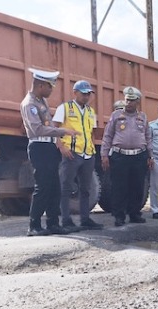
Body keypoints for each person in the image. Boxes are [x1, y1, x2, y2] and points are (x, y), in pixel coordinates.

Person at [20, 67, 79, 236]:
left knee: (55, 187)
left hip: (49, 146)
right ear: (40, 85)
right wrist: (63, 131)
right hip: (39, 147)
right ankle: (34, 225)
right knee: (43, 187)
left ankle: (53, 223)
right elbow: (38, 129)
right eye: (49, 87)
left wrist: (58, 141)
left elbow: (49, 124)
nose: (51, 90)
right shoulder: (29, 104)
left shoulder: (41, 101)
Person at [53, 80, 104, 231]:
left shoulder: (90, 111)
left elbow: (92, 133)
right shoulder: (65, 108)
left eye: (88, 94)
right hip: (72, 153)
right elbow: (54, 129)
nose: (86, 96)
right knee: (66, 187)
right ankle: (66, 221)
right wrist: (61, 146)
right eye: (83, 93)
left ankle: (85, 219)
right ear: (75, 93)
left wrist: (93, 149)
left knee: (85, 188)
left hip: (88, 154)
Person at [101, 86, 154, 227]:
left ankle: (135, 214)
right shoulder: (116, 116)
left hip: (139, 156)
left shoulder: (142, 117)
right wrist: (104, 155)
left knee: (137, 187)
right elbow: (108, 135)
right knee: (119, 187)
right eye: (127, 100)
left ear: (138, 102)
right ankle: (119, 216)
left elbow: (148, 137)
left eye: (132, 100)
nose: (128, 103)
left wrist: (150, 155)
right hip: (120, 156)